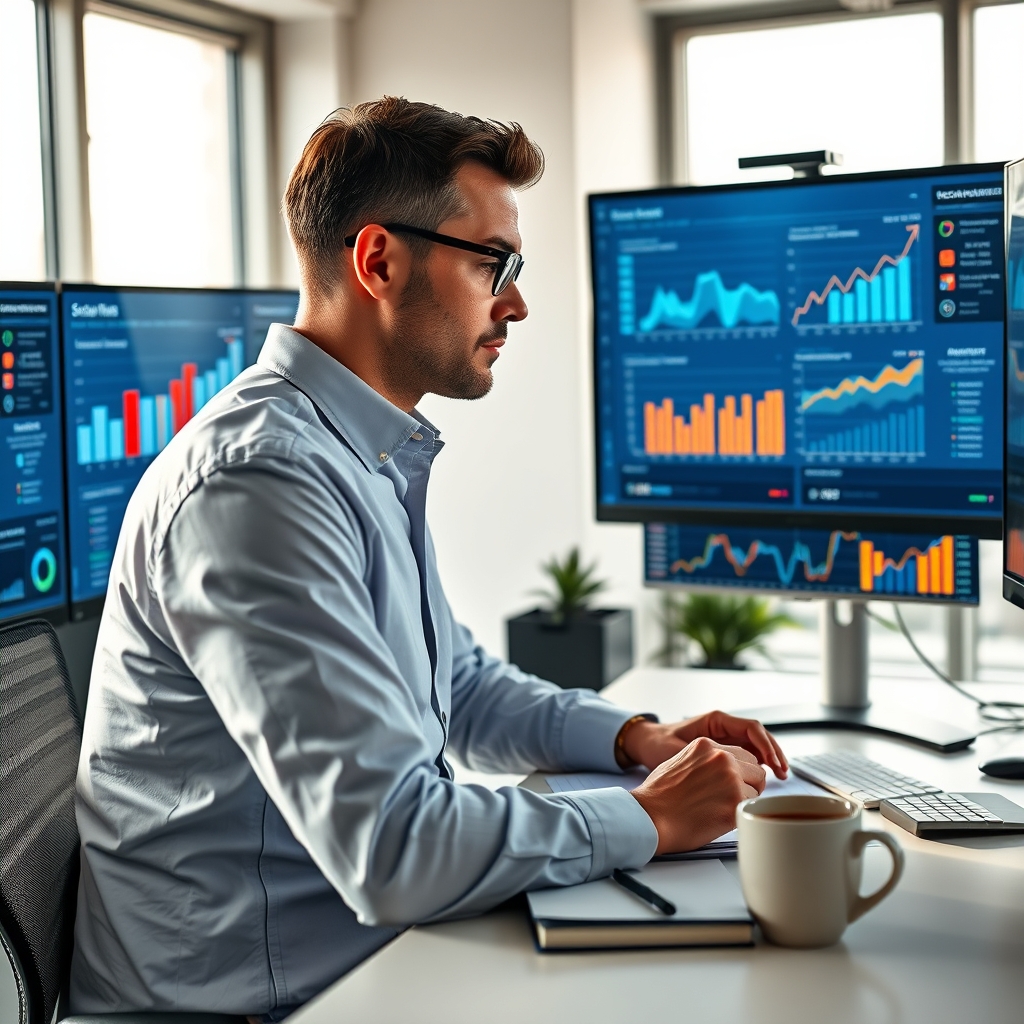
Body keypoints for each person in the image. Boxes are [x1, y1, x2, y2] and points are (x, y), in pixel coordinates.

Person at [70, 97, 788, 1021]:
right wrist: (649, 816)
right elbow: (393, 849)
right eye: (494, 262)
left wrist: (633, 740)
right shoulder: (260, 486)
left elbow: (463, 687)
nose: (517, 301)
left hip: (352, 965)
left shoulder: (352, 453)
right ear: (378, 260)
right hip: (262, 1003)